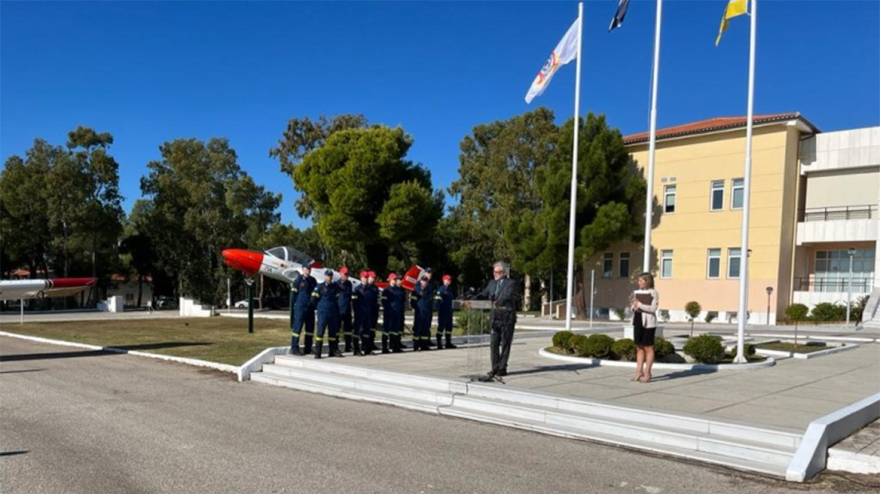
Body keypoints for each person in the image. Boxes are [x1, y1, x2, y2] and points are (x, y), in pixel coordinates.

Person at [474, 261, 520, 381]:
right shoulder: (492, 283)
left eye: (498, 272)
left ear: (504, 272)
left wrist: (499, 302)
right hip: (495, 317)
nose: (495, 274)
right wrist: (474, 298)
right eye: (494, 272)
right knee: (494, 344)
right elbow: (485, 293)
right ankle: (494, 367)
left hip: (506, 317)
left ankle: (502, 368)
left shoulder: (512, 283)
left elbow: (509, 296)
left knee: (505, 343)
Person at [631, 272, 659, 383]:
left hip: (648, 323)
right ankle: (639, 371)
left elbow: (653, 309)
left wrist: (640, 305)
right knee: (639, 347)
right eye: (638, 281)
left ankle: (647, 372)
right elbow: (633, 306)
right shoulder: (638, 293)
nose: (639, 283)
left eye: (641, 281)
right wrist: (634, 307)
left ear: (647, 281)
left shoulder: (654, 293)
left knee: (648, 348)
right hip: (638, 320)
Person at [311, 269, 343, 359]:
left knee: (332, 333)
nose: (329, 278)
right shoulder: (320, 287)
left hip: (332, 313)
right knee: (320, 333)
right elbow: (313, 300)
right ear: (325, 277)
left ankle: (332, 351)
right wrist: (319, 308)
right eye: (328, 276)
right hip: (323, 313)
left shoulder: (335, 287)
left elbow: (339, 296)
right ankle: (318, 352)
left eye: (331, 276)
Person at [290, 265, 317, 355]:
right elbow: (294, 295)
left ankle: (308, 348)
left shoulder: (313, 280)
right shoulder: (298, 280)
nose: (308, 270)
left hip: (310, 308)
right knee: (297, 328)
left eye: (309, 269)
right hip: (300, 307)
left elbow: (315, 293)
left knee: (310, 329)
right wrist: (297, 304)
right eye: (306, 269)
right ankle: (294, 348)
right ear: (303, 270)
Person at [411, 276, 435, 351]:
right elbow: (413, 301)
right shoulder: (416, 290)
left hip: (427, 312)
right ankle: (416, 345)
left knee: (425, 329)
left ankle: (424, 345)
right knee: (418, 328)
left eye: (426, 281)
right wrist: (416, 309)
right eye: (424, 281)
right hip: (419, 312)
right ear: (420, 281)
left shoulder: (428, 290)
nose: (425, 282)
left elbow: (431, 301)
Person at [434, 274, 457, 349]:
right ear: (444, 280)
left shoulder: (450, 290)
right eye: (447, 280)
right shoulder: (441, 289)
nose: (449, 281)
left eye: (450, 280)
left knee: (449, 328)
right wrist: (437, 309)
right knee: (441, 328)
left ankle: (448, 343)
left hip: (449, 311)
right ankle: (439, 343)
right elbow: (437, 300)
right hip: (442, 311)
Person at [350, 271, 369, 356]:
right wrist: (356, 312)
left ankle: (366, 348)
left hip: (367, 313)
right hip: (359, 313)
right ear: (361, 278)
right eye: (365, 277)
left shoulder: (369, 289)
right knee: (357, 331)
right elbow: (354, 303)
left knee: (366, 331)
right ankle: (356, 349)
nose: (366, 279)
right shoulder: (357, 289)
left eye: (367, 277)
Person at [336, 267, 354, 353]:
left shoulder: (349, 284)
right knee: (337, 329)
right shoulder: (337, 284)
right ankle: (336, 346)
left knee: (348, 329)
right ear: (340, 274)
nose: (346, 276)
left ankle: (348, 345)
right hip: (339, 309)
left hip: (347, 309)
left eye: (347, 274)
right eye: (344, 274)